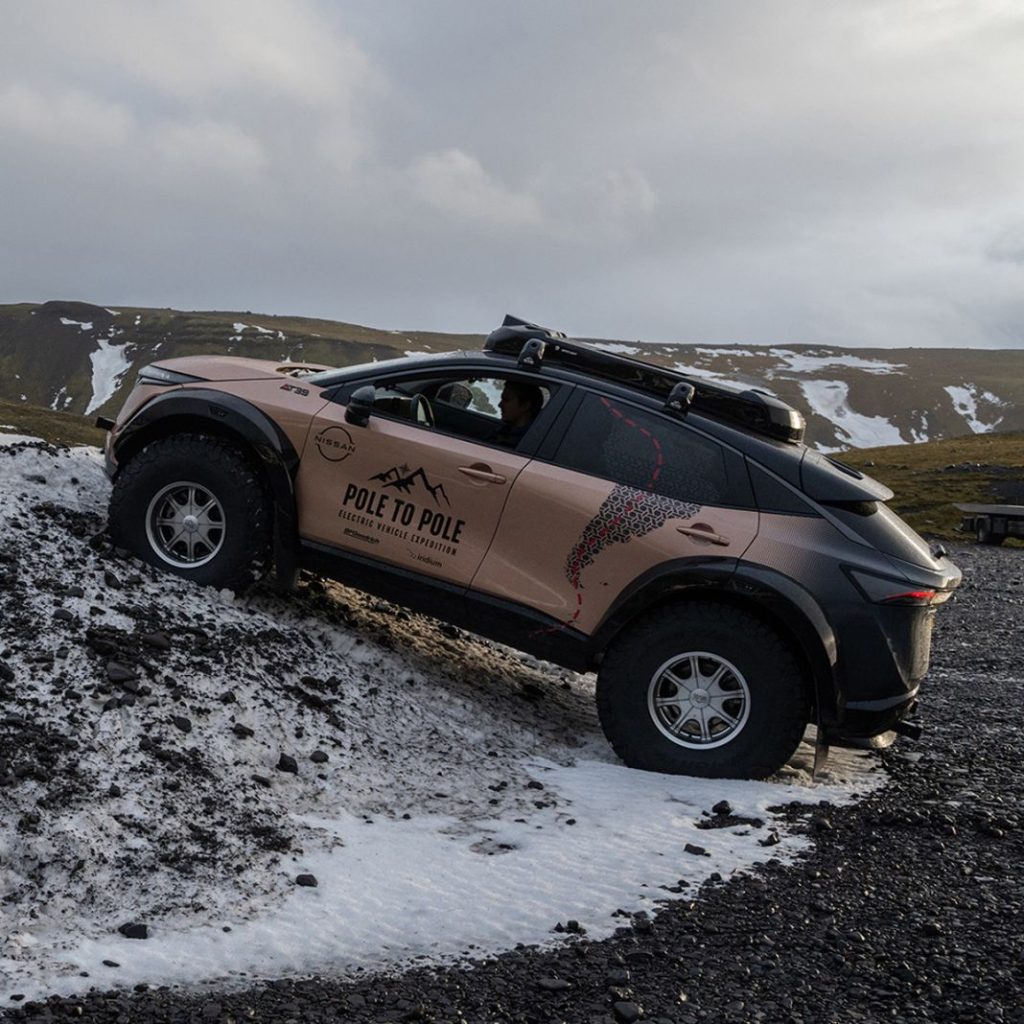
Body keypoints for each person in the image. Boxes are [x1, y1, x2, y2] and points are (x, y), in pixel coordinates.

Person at [493, 380, 543, 447]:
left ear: (525, 406)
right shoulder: (506, 430)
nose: (500, 404)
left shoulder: (523, 443)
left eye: (506, 400)